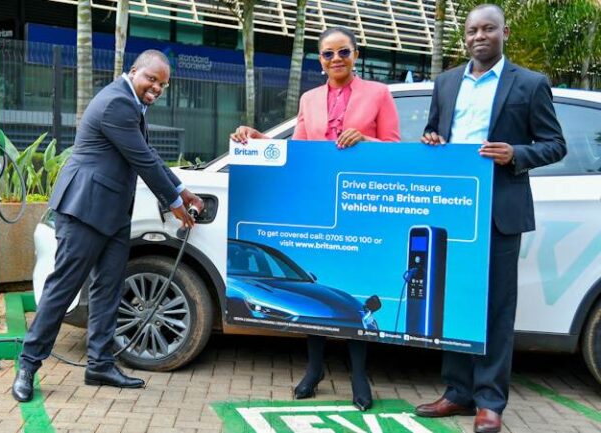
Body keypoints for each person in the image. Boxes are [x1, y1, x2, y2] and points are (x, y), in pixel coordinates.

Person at [12, 50, 204, 402]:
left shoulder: (131, 105)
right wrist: (176, 204)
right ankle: (27, 364)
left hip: (113, 213)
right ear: (134, 71)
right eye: (152, 79)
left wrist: (181, 189)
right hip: (85, 210)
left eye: (163, 84)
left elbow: (149, 154)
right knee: (63, 289)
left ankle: (99, 363)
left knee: (108, 290)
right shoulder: (117, 103)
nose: (157, 88)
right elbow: (143, 159)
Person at [231, 27, 400, 410]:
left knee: (351, 291)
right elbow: (298, 151)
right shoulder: (309, 98)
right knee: (313, 292)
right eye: (327, 54)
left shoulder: (378, 93)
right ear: (320, 60)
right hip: (316, 208)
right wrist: (258, 139)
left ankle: (359, 376)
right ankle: (314, 369)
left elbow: (394, 149)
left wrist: (366, 141)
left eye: (343, 52)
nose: (336, 59)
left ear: (356, 54)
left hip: (358, 208)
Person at [414, 5, 565, 433]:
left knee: (496, 310)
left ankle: (490, 402)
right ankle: (457, 393)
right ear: (464, 38)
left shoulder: (531, 84)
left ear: (504, 32)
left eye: (488, 29)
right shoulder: (445, 83)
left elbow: (555, 144)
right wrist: (432, 140)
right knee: (454, 303)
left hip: (499, 213)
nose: (479, 36)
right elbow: (434, 133)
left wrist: (517, 154)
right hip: (452, 212)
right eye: (471, 31)